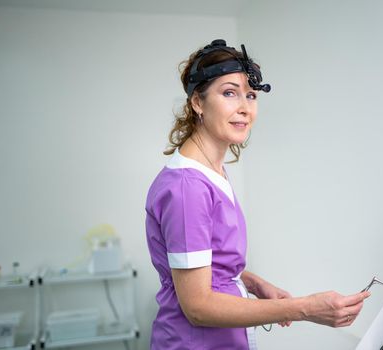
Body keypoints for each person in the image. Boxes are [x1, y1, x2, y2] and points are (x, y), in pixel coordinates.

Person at [145, 39, 370, 350]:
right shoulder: (188, 188)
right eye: (229, 93)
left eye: (250, 95)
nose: (244, 108)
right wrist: (305, 308)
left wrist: (252, 282)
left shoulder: (211, 171)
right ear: (198, 102)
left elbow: (205, 261)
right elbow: (197, 307)